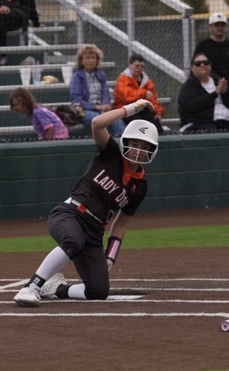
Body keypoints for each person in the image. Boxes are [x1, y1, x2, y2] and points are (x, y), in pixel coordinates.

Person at [12, 98, 159, 307]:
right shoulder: (110, 153)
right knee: (73, 240)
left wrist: (111, 256)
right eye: (134, 144)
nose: (138, 150)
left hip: (94, 232)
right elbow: (97, 123)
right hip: (70, 213)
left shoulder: (140, 186)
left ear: (152, 150)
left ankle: (55, 288)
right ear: (125, 142)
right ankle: (31, 287)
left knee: (98, 290)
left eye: (145, 146)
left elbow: (121, 223)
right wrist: (132, 108)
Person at [177, 52, 229, 134]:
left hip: (224, 121)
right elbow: (192, 106)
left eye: (205, 62)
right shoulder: (189, 86)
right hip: (198, 123)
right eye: (198, 63)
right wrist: (214, 94)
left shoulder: (218, 80)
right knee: (211, 131)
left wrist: (225, 92)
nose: (202, 65)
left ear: (210, 66)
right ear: (192, 69)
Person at [69, 44, 125, 136]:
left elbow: (105, 94)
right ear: (81, 61)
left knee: (117, 120)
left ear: (97, 60)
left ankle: (122, 144)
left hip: (102, 109)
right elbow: (76, 100)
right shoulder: (76, 77)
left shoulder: (101, 75)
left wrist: (105, 106)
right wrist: (97, 107)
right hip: (84, 110)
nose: (91, 60)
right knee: (100, 121)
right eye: (87, 58)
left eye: (93, 58)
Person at [113, 53, 165, 134]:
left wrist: (158, 112)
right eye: (137, 66)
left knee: (154, 120)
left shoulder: (146, 81)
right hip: (125, 109)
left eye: (142, 66)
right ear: (130, 65)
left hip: (140, 109)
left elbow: (153, 98)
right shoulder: (123, 79)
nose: (139, 68)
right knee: (137, 122)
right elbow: (126, 96)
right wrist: (143, 93)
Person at [194, 12, 229, 93]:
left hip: (228, 89)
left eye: (222, 25)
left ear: (226, 27)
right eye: (216, 25)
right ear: (210, 27)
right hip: (208, 88)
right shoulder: (202, 46)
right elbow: (196, 69)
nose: (220, 28)